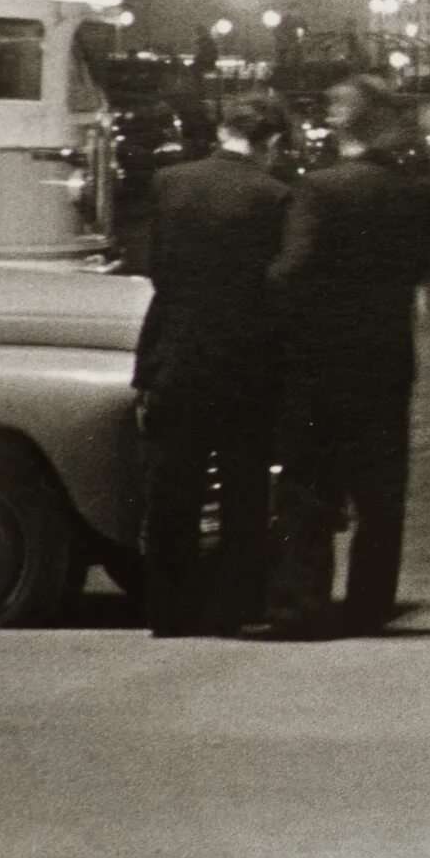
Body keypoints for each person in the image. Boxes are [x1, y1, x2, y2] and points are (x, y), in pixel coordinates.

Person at [264, 76, 430, 636]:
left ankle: (302, 604)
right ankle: (370, 603)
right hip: (386, 357)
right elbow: (420, 269)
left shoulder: (320, 190)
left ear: (343, 125)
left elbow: (292, 270)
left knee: (307, 489)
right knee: (381, 494)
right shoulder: (416, 195)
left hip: (322, 363)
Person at [130, 94, 292, 637]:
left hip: (176, 354)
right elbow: (277, 286)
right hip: (246, 364)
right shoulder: (275, 195)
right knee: (244, 492)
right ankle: (235, 606)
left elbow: (156, 269)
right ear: (270, 142)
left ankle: (169, 612)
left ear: (224, 131)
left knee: (173, 490)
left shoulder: (170, 183)